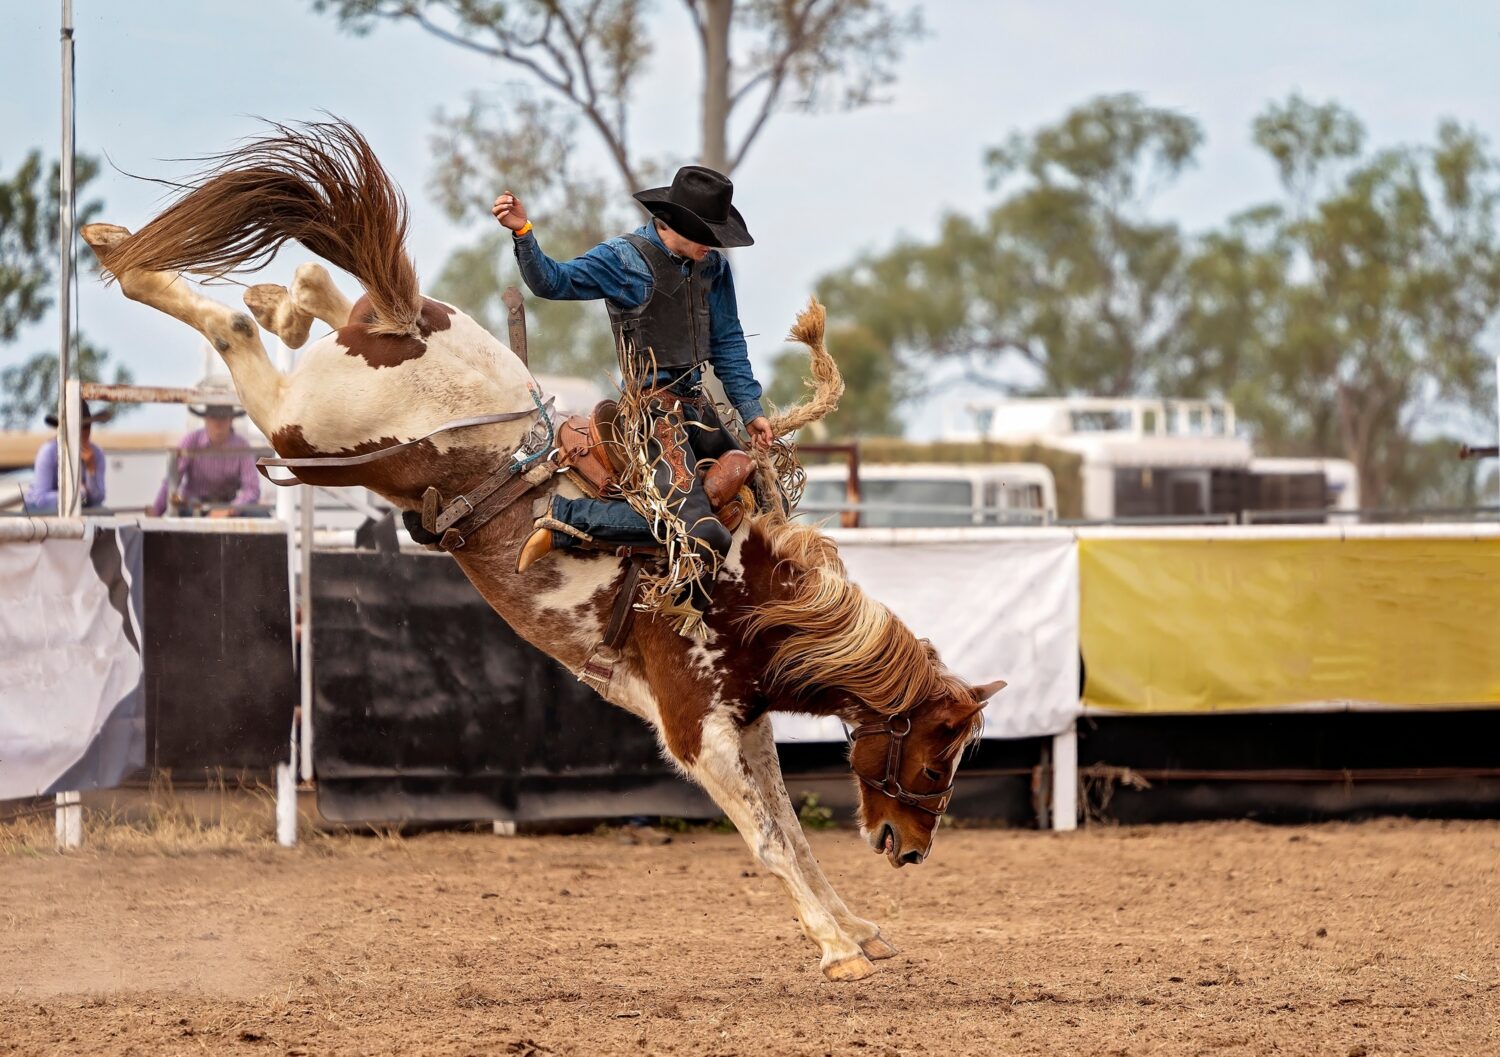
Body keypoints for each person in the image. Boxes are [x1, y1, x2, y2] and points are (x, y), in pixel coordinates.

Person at [493, 166, 771, 625]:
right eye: (708, 235)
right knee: (704, 533)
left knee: (757, 493)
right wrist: (523, 232)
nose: (714, 246)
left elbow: (727, 341)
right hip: (651, 412)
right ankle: (572, 518)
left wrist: (751, 409)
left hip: (698, 407)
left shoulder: (712, 268)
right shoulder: (624, 259)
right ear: (677, 226)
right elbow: (553, 282)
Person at [149, 378, 262, 517]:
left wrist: (230, 509)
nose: (218, 422)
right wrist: (155, 512)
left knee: (260, 515)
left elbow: (252, 489)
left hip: (228, 507)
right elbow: (171, 481)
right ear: (205, 418)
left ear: (231, 419)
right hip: (194, 507)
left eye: (223, 416)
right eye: (213, 416)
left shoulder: (242, 446)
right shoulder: (190, 441)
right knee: (184, 511)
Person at [24, 401, 110, 513]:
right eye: (78, 427)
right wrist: (78, 494)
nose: (83, 432)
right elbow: (40, 499)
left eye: (86, 426)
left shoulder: (96, 453)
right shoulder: (49, 451)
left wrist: (91, 469)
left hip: (77, 508)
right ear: (65, 429)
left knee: (104, 513)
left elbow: (98, 499)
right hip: (42, 511)